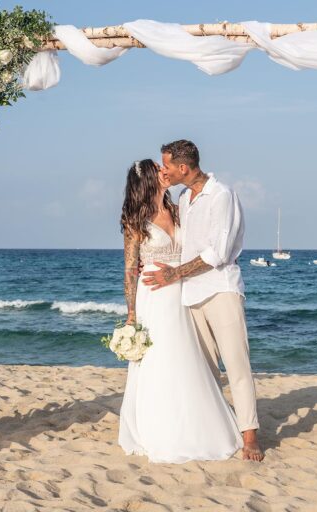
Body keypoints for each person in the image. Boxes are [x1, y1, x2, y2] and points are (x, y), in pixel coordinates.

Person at [143, 140, 264, 461]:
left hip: (221, 289)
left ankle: (250, 436)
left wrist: (174, 274)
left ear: (183, 167)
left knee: (237, 364)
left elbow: (218, 252)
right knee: (206, 369)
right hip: (191, 294)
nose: (163, 170)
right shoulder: (184, 198)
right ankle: (220, 429)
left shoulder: (222, 195)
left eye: (166, 165)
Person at [118, 158, 243, 463]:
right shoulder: (136, 221)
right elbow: (129, 270)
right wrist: (132, 313)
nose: (165, 172)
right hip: (154, 296)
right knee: (161, 358)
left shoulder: (178, 210)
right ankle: (161, 427)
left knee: (188, 356)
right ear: (148, 179)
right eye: (158, 170)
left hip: (183, 291)